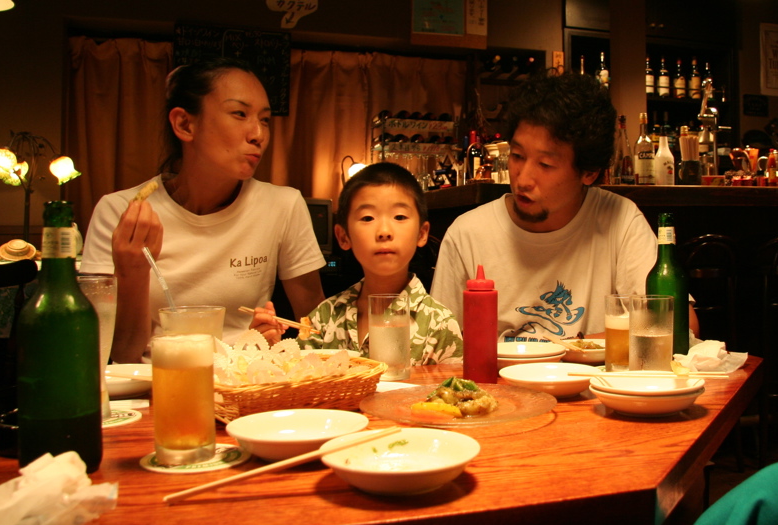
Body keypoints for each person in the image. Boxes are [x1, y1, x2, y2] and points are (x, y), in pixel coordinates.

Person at [80, 57, 326, 363]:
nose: (258, 134)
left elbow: (318, 330)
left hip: (247, 382)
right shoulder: (120, 212)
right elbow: (122, 355)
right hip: (154, 385)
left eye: (264, 120)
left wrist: (262, 343)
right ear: (185, 124)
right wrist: (133, 272)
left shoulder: (282, 205)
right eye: (239, 113)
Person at [430, 70, 699, 341]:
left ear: (589, 173)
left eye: (545, 165)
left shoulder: (619, 220)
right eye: (517, 155)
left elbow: (680, 327)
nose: (523, 179)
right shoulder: (467, 235)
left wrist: (569, 352)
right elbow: (439, 348)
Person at [294, 162, 462, 365]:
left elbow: (453, 393)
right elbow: (297, 382)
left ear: (422, 233)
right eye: (367, 218)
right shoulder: (323, 318)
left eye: (399, 216)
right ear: (343, 236)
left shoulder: (440, 324)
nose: (384, 231)